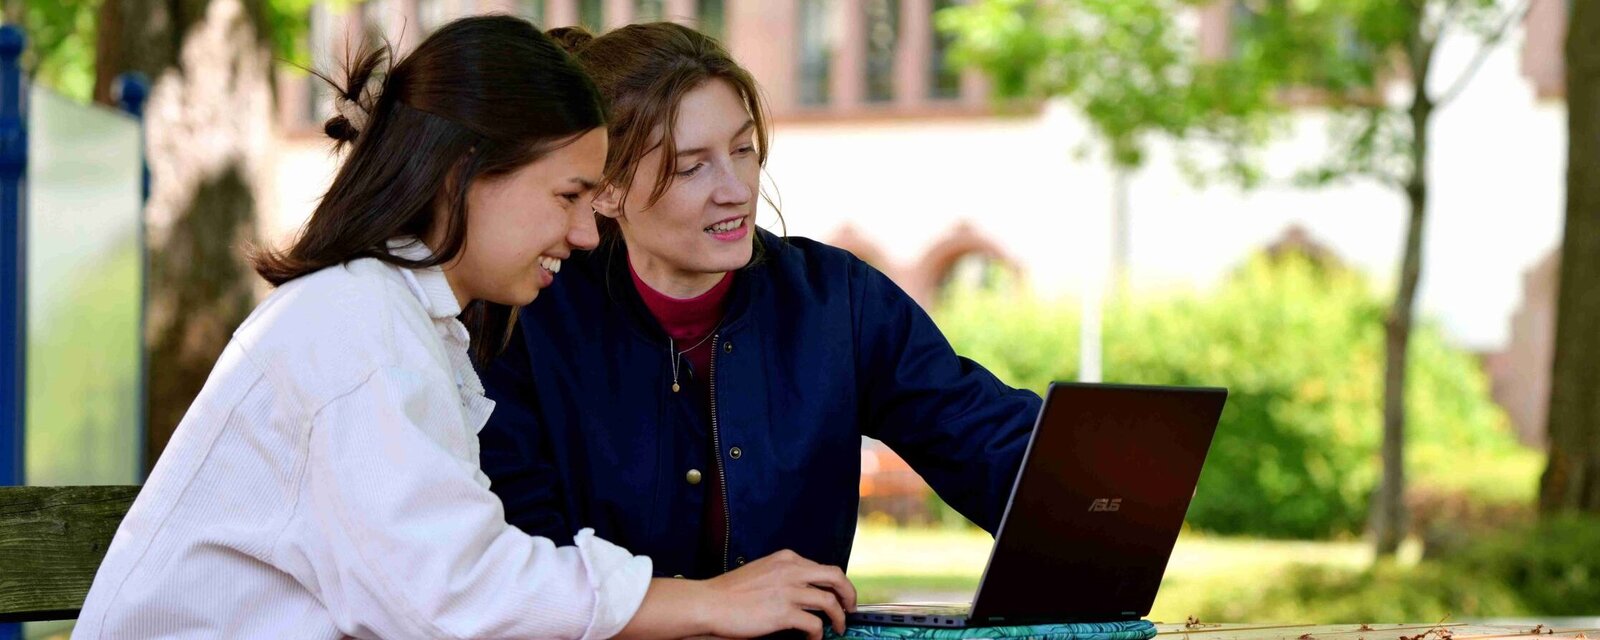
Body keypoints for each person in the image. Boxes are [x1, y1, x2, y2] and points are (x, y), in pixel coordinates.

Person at [75, 16, 853, 640]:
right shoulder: (358, 331)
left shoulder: (404, 324)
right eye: (569, 196)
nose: (587, 235)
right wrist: (710, 603)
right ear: (466, 177)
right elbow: (455, 596)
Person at [478, 22, 1042, 582]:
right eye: (692, 166)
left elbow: (985, 440)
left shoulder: (837, 302)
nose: (737, 188)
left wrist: (1104, 487)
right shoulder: (530, 316)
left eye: (743, 149)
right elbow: (524, 564)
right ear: (606, 189)